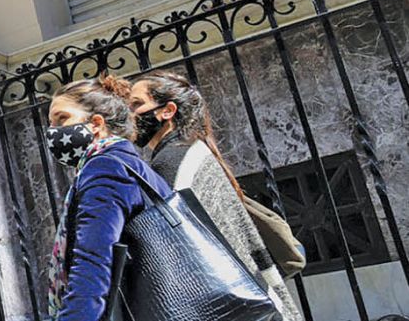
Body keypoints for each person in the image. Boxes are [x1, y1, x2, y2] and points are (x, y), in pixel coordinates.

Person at [130, 70, 301, 321]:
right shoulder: (194, 152)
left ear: (167, 111)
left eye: (137, 104)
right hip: (256, 298)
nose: (129, 114)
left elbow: (173, 249)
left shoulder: (171, 163)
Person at [46, 74, 172, 321]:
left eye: (62, 119)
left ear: (96, 123)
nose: (53, 132)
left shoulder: (105, 168)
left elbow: (92, 260)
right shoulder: (129, 163)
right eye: (50, 123)